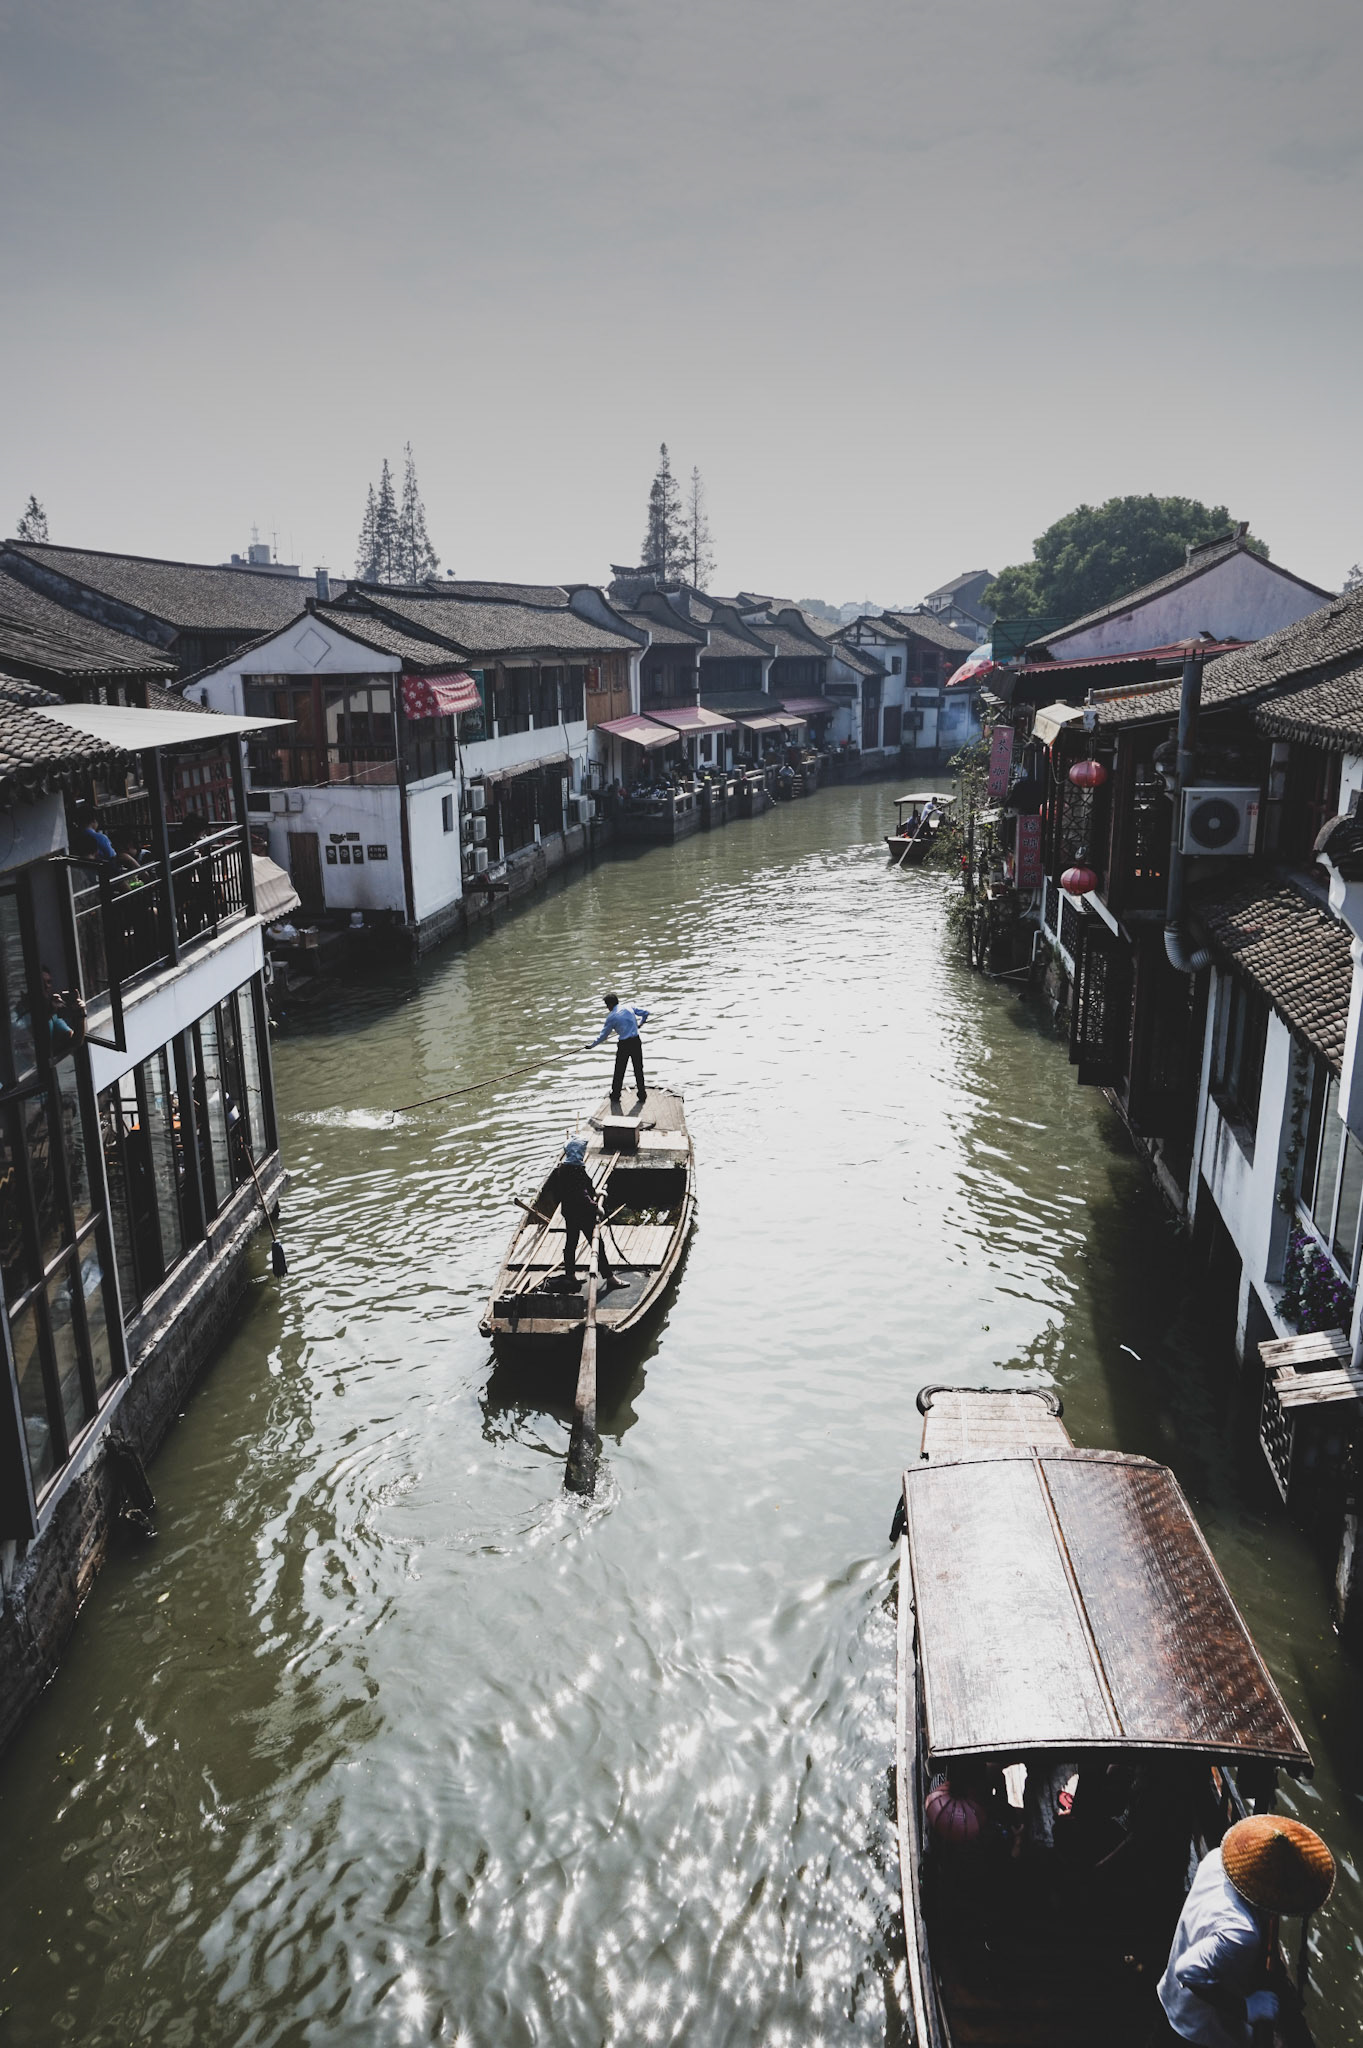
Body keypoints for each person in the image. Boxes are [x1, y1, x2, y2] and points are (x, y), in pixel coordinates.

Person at [1153, 1815, 1334, 2045]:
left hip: (1170, 1997)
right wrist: (1246, 2008)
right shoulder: (1241, 1932)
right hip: (1195, 2029)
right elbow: (1187, 1971)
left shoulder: (1215, 1859)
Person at [541, 1138, 620, 1293]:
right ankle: (610, 1278)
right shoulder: (575, 1170)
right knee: (597, 1245)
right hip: (582, 1214)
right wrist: (596, 1207)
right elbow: (580, 1195)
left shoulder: (563, 1169)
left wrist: (595, 1192)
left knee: (571, 1244)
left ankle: (570, 1275)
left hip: (569, 1213)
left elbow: (581, 1189)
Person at [587, 991, 650, 1104]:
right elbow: (646, 1013)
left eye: (607, 1005)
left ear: (610, 1004)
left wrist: (592, 1045)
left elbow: (603, 1036)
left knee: (619, 1070)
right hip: (636, 1041)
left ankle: (615, 1095)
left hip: (624, 1044)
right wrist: (640, 1024)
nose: (607, 1008)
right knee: (638, 1068)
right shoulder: (629, 1006)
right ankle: (642, 1094)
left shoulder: (611, 1017)